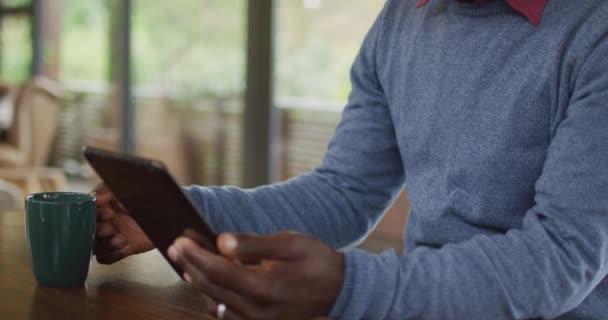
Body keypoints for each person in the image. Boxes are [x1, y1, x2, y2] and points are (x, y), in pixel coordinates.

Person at [93, 0, 608, 319]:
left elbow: (563, 256)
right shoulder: (400, 21)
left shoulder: (594, 30)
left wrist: (351, 287)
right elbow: (344, 194)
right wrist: (183, 213)